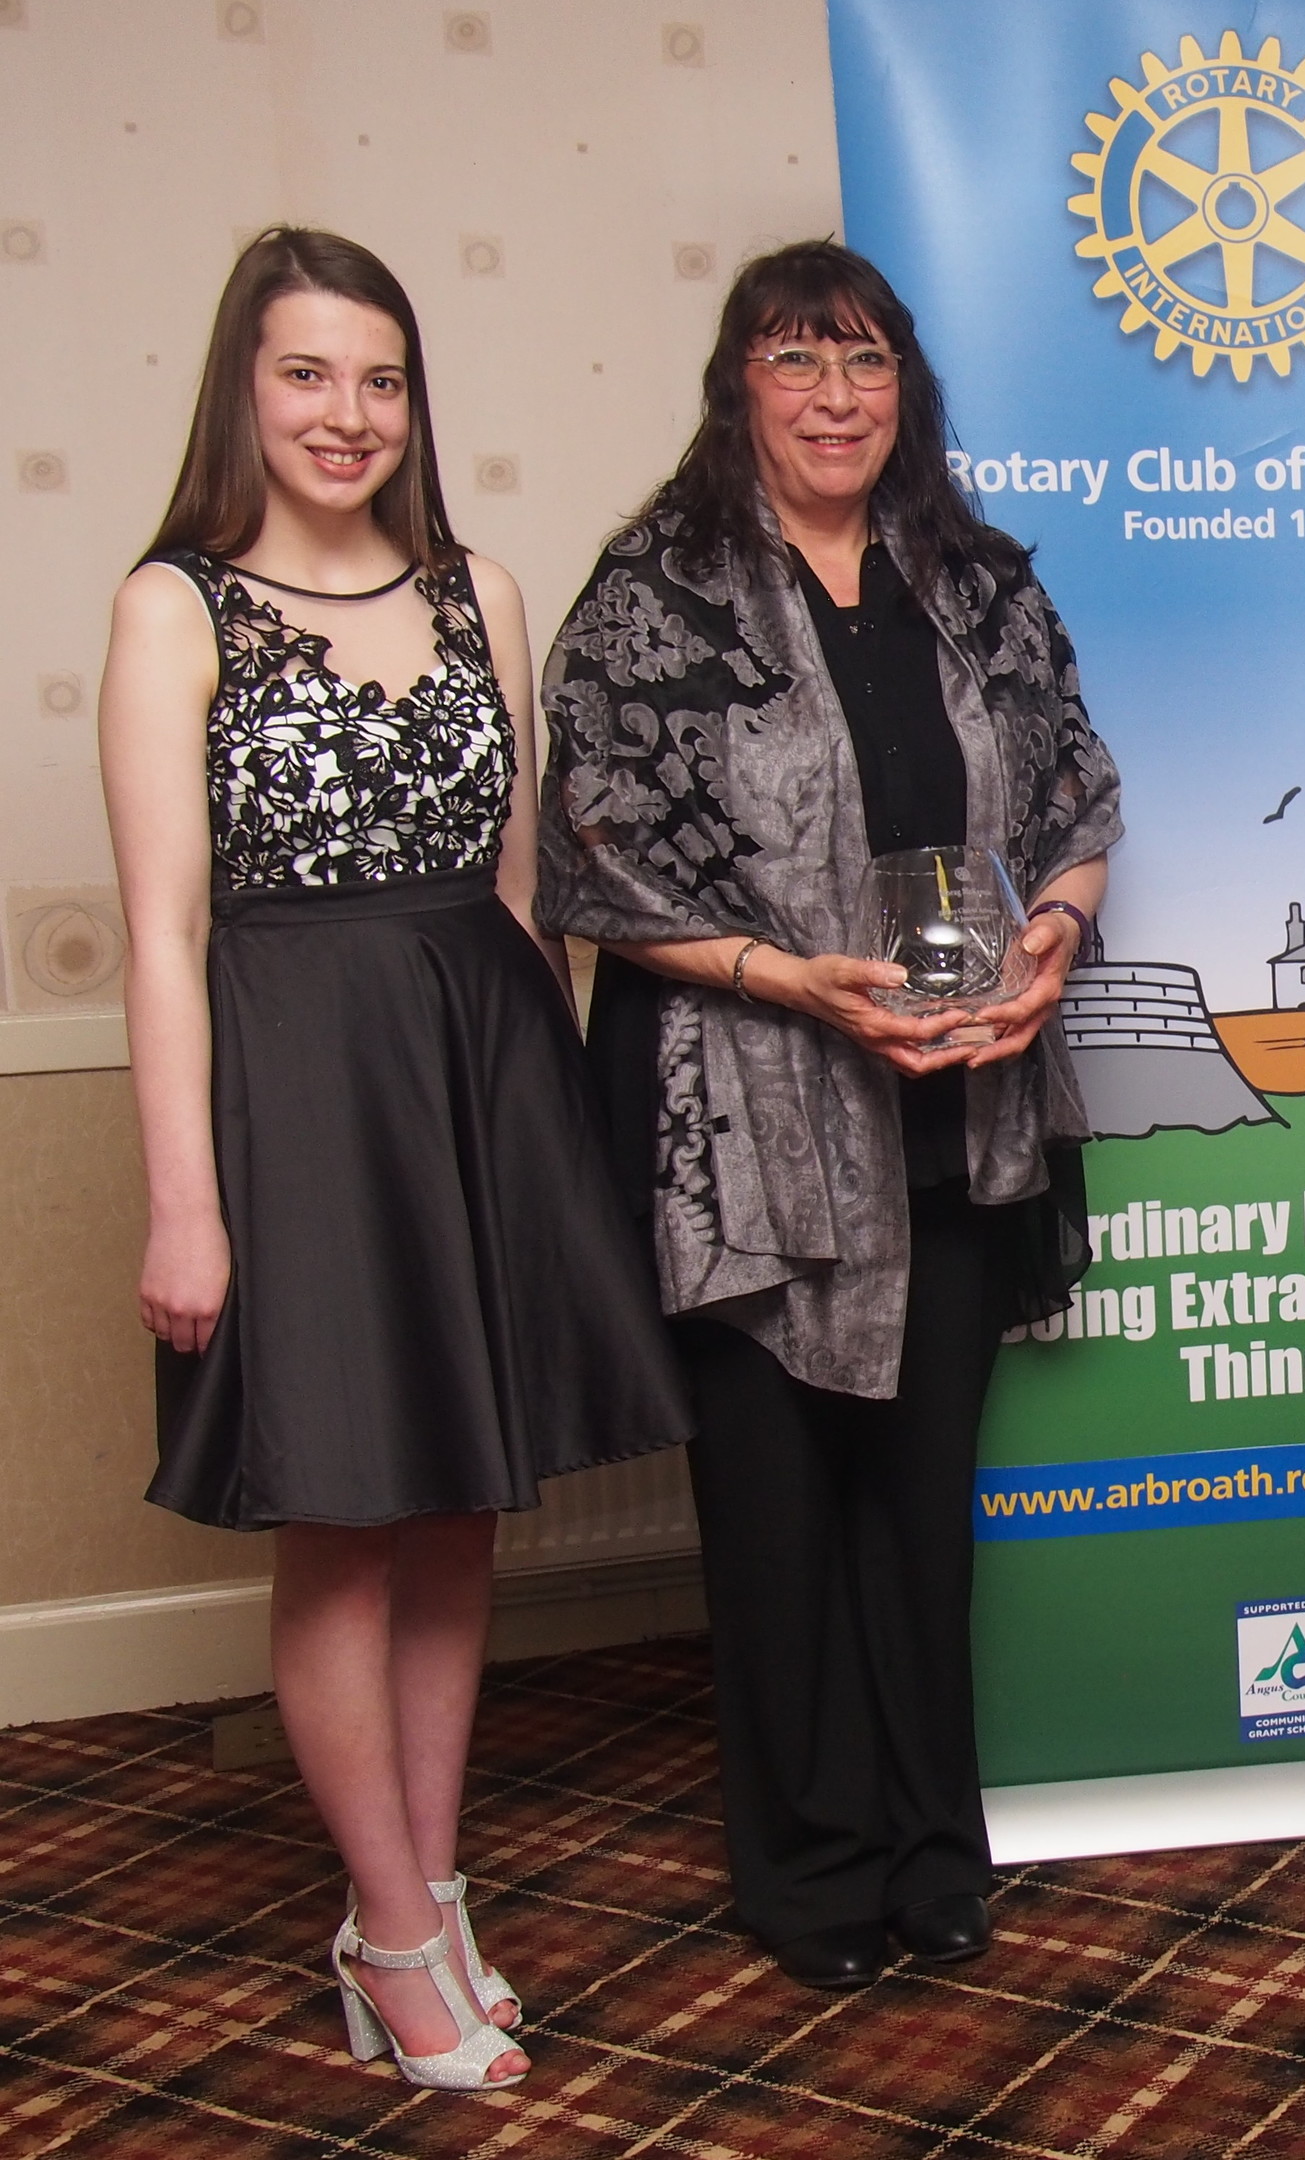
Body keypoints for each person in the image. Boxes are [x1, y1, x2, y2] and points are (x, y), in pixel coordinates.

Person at [100, 228, 690, 2093]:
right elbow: (162, 932)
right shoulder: (172, 609)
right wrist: (187, 1203)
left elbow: (517, 903)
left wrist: (538, 1148)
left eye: (379, 378)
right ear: (243, 391)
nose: (346, 414)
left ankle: (412, 1896)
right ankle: (396, 1925)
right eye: (306, 375)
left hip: (476, 1075)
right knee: (342, 1520)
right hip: (296, 1096)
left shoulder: (480, 594)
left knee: (453, 1513)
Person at [539, 241, 1120, 1993]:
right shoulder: (659, 592)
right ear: (740, 386)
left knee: (918, 1515)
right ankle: (808, 1873)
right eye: (797, 361)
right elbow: (591, 847)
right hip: (751, 1135)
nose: (834, 396)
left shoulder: (976, 581)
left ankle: (936, 1851)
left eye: (864, 362)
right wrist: (791, 980)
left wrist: (1051, 938)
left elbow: (1079, 783)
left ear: (905, 390)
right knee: (782, 1530)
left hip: (955, 1112)